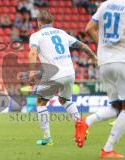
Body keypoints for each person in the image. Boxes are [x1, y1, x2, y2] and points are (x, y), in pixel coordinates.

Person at [28, 10, 97, 145]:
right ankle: (81, 126)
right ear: (51, 22)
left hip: (54, 74)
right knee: (64, 100)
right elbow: (82, 45)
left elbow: (32, 53)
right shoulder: (62, 33)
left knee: (41, 103)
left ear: (39, 22)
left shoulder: (36, 36)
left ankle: (47, 138)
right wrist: (93, 56)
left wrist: (31, 72)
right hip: (70, 73)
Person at [75, 0, 125, 158]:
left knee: (117, 107)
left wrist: (104, 47)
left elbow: (89, 28)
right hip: (123, 60)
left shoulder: (105, 5)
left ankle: (86, 122)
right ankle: (107, 149)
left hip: (104, 61)